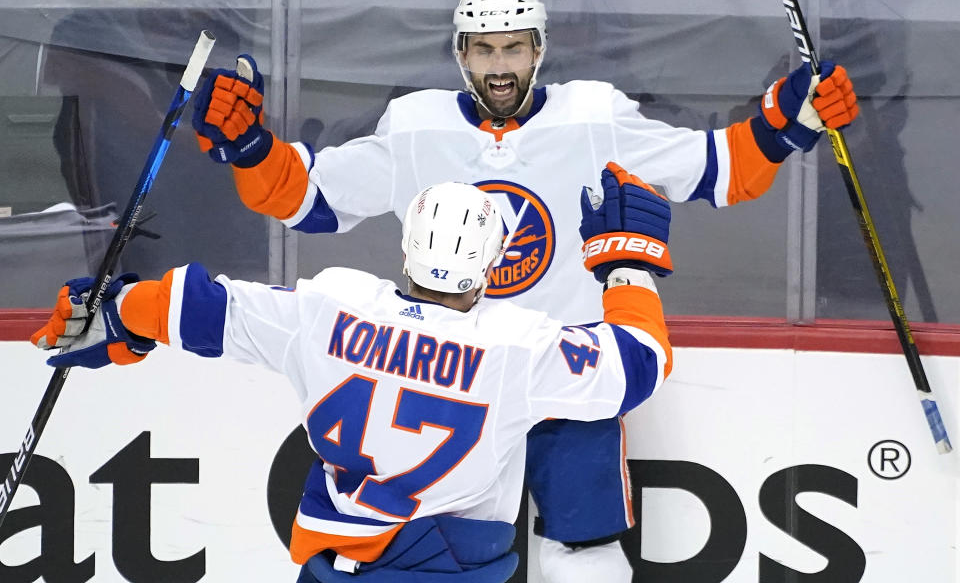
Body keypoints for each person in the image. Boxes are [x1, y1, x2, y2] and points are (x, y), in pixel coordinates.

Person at [190, 0, 860, 582]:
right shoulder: (415, 128)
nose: (499, 66)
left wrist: (790, 120)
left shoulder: (594, 118)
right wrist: (248, 145)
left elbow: (720, 168)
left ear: (539, 49)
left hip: (561, 371)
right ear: (460, 55)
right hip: (448, 379)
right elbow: (304, 198)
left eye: (513, 48)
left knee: (584, 554)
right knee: (438, 558)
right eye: (483, 50)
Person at [32, 166, 673, 582]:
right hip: (449, 568)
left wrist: (115, 310)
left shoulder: (330, 306)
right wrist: (627, 268)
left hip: (333, 568)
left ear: (407, 247)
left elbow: (201, 307)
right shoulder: (516, 346)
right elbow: (639, 363)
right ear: (492, 265)